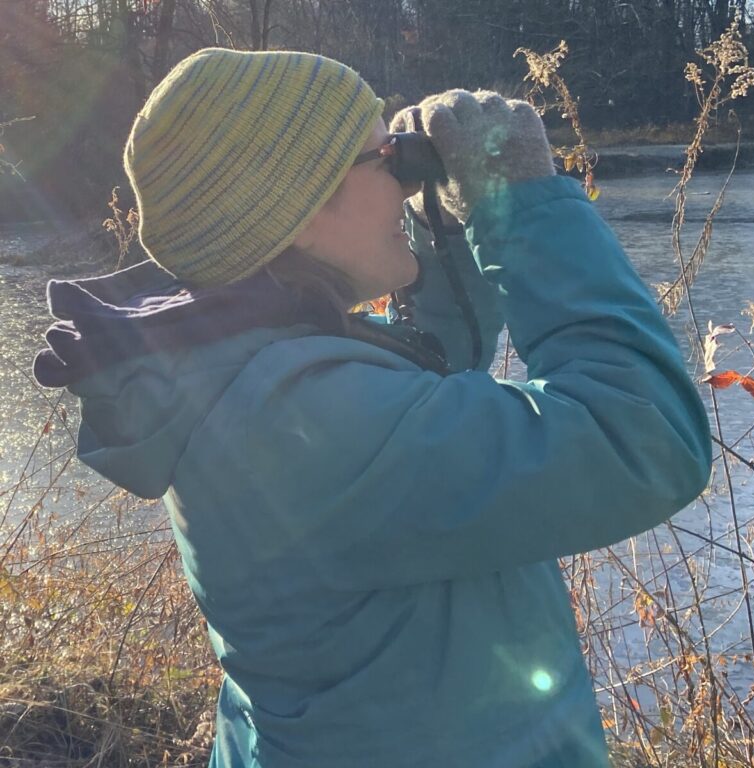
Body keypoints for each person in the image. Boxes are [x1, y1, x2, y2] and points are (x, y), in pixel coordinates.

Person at [34, 49, 712, 767]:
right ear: (291, 209)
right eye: (384, 159)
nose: (406, 179)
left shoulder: (247, 372)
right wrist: (525, 206)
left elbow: (422, 386)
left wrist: (443, 230)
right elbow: (645, 435)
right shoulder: (299, 418)